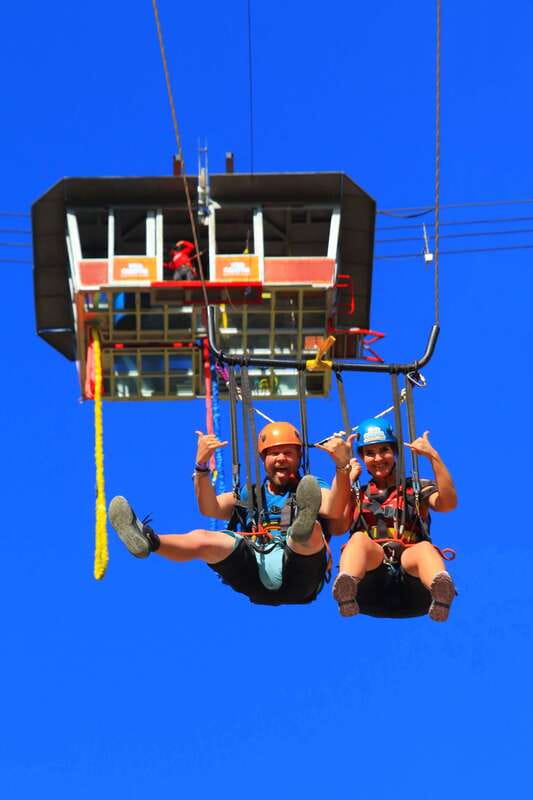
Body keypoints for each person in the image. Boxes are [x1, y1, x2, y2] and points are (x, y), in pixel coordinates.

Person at [108, 421, 354, 606]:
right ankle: (149, 540)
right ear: (263, 459)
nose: (281, 458)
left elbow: (332, 507)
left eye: (288, 452)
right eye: (273, 453)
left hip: (300, 576)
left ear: (299, 456)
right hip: (254, 572)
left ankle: (300, 530)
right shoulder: (250, 495)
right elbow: (210, 508)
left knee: (309, 530)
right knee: (206, 538)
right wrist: (202, 466)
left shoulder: (310, 487)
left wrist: (342, 468)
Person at [332, 418, 458, 621]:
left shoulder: (416, 488)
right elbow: (337, 525)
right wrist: (345, 476)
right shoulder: (357, 494)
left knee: (423, 548)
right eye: (370, 453)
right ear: (362, 458)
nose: (378, 458)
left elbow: (448, 503)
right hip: (368, 588)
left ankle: (441, 590)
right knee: (358, 540)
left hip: (414, 589)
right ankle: (346, 587)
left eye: (384, 450)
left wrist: (433, 457)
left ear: (395, 452)